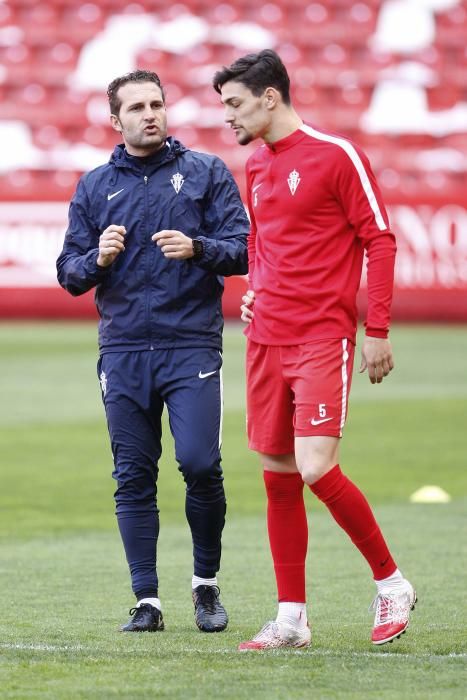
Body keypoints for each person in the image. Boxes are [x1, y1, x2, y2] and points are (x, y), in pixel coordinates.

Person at [213, 50, 416, 650]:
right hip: (265, 339)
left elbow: (379, 240)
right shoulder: (254, 165)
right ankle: (292, 619)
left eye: (234, 103)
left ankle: (392, 582)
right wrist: (251, 293)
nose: (228, 116)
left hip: (323, 336)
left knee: (315, 467)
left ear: (269, 97)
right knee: (278, 476)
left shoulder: (336, 155)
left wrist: (375, 328)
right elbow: (259, 244)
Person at [57, 69, 249, 634]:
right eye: (137, 107)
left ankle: (205, 586)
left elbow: (243, 250)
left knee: (198, 462)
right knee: (133, 475)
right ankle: (148, 600)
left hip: (190, 342)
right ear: (115, 121)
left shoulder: (205, 173)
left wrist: (199, 248)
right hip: (122, 350)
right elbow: (68, 273)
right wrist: (98, 260)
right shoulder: (94, 186)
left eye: (157, 104)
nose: (151, 114)